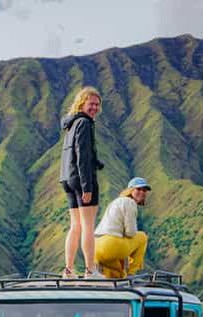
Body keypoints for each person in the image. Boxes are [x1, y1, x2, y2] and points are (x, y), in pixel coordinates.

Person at [59, 86, 105, 279]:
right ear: (82, 103)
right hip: (82, 179)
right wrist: (87, 186)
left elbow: (74, 153)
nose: (94, 107)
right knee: (87, 226)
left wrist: (97, 162)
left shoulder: (72, 123)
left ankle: (68, 270)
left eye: (97, 104)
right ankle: (90, 270)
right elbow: (82, 156)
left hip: (67, 179)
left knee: (75, 226)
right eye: (91, 103)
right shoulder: (84, 123)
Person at [94, 177, 151, 279]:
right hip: (111, 245)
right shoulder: (130, 202)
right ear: (130, 190)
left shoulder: (115, 202)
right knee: (142, 237)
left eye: (144, 190)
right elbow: (131, 233)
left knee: (118, 274)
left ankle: (115, 280)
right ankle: (132, 273)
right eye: (138, 189)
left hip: (96, 249)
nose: (142, 192)